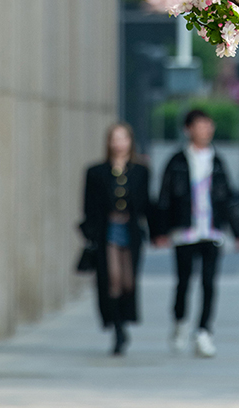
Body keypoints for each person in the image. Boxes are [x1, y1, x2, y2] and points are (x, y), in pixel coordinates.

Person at [155, 109, 239, 357]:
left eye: (208, 125)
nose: (206, 130)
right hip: (184, 231)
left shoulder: (217, 161)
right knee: (183, 282)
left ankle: (204, 331)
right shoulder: (177, 161)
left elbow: (228, 198)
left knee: (209, 283)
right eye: (200, 125)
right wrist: (160, 230)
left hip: (212, 231)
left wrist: (238, 231)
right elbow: (164, 198)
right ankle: (180, 322)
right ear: (188, 129)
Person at [80, 121, 153, 355]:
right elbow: (89, 206)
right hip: (108, 229)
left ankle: (124, 318)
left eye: (124, 138)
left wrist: (159, 231)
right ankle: (118, 329)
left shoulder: (141, 171)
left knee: (128, 281)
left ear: (130, 142)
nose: (119, 143)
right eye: (115, 138)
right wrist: (89, 232)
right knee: (112, 278)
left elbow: (147, 205)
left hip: (130, 230)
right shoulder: (96, 172)